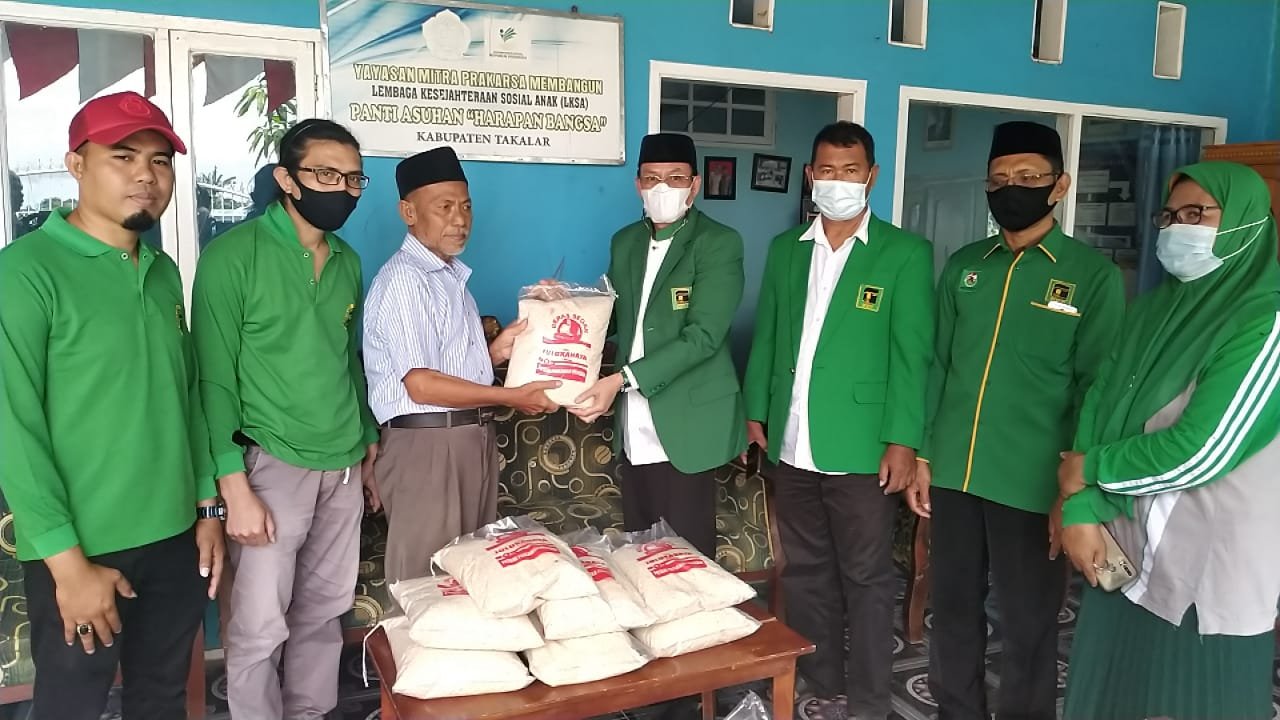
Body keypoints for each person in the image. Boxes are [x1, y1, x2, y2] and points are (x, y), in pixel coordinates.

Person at [0, 91, 223, 719]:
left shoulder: (162, 271)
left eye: (160, 161)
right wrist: (68, 567)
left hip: (175, 538)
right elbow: (13, 429)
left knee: (162, 698)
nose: (145, 175)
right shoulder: (24, 272)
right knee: (71, 705)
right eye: (122, 157)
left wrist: (207, 507)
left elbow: (187, 397)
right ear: (76, 165)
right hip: (84, 546)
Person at [906, 121, 1125, 720]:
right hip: (956, 473)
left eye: (1028, 177)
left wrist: (1073, 494)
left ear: (1060, 185)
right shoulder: (965, 267)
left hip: (1033, 482)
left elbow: (1096, 390)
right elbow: (938, 366)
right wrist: (925, 454)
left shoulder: (1092, 276)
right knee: (953, 610)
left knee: (1029, 622)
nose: (1012, 188)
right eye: (999, 179)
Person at [1058, 161, 1280, 720]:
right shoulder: (1154, 308)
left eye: (1198, 214)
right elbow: (1100, 401)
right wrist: (1079, 509)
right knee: (1108, 696)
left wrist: (1088, 471)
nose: (1180, 228)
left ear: (1248, 221)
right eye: (1171, 216)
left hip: (1206, 570)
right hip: (1123, 549)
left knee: (1195, 701)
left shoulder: (1264, 322)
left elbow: (1204, 449)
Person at [742, 121, 934, 720]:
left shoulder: (904, 254)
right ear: (810, 176)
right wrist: (755, 410)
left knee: (867, 577)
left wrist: (904, 440)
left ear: (871, 176)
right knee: (805, 569)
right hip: (792, 439)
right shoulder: (786, 249)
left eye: (850, 171)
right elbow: (768, 334)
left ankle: (871, 697)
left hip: (862, 444)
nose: (838, 181)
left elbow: (913, 357)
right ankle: (822, 678)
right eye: (827, 170)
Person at [191, 118, 379, 720]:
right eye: (325, 174)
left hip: (342, 464)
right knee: (257, 626)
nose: (342, 189)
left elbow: (346, 359)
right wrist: (232, 485)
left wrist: (366, 439)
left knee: (323, 615)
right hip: (269, 462)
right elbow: (213, 380)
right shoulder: (232, 257)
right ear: (286, 179)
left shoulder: (348, 261)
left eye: (353, 179)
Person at [363, 146, 560, 585]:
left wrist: (498, 351)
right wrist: (510, 397)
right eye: (445, 207)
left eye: (466, 206)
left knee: (470, 581)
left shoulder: (452, 279)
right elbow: (422, 385)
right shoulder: (405, 280)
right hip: (429, 448)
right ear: (408, 212)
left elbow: (446, 366)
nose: (460, 219)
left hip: (469, 440)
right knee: (425, 584)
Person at [569, 132, 746, 558]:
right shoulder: (625, 241)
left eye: (675, 178)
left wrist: (621, 379)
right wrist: (559, 307)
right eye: (651, 178)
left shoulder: (718, 243)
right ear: (638, 185)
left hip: (689, 420)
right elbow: (614, 318)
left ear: (695, 185)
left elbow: (703, 337)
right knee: (641, 549)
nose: (662, 188)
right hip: (635, 420)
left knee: (686, 558)